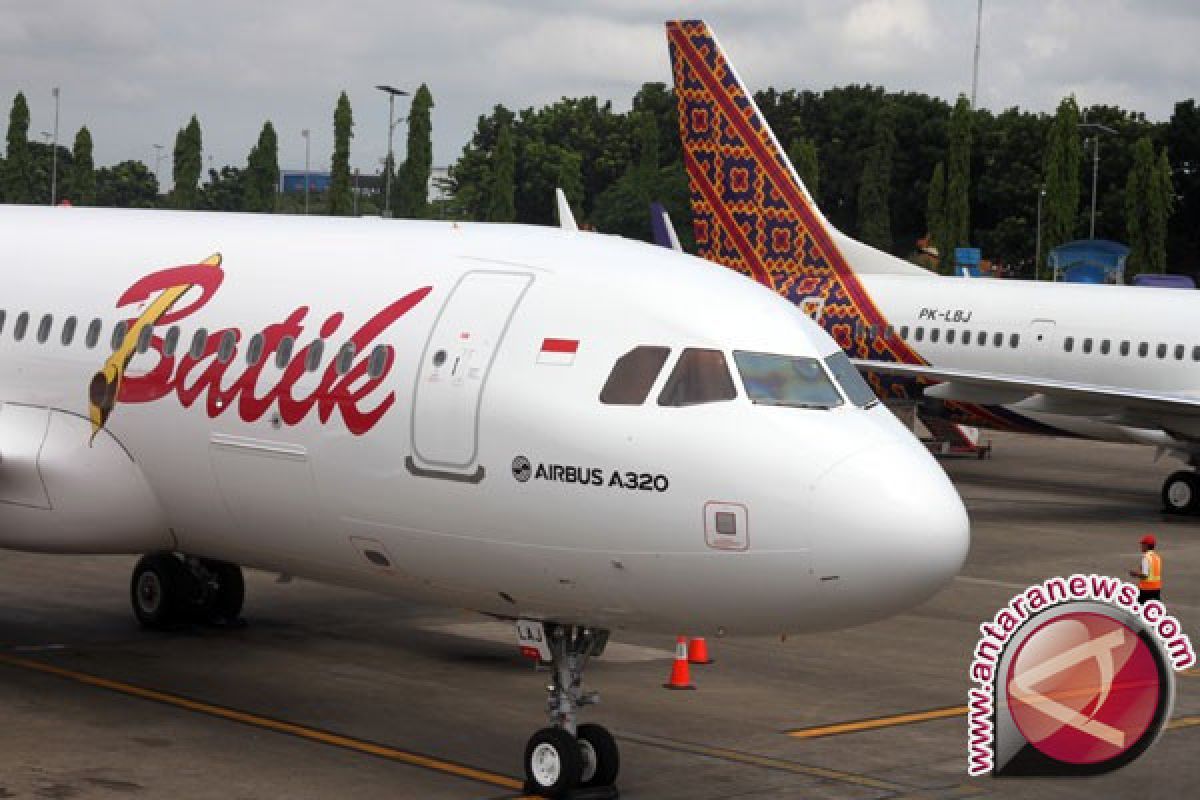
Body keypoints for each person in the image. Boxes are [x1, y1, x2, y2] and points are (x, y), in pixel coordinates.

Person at [1129, 534, 1162, 604]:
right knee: (1154, 608)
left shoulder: (1146, 558)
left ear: (1146, 545)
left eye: (1142, 544)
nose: (1141, 546)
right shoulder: (1157, 557)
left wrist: (1135, 574)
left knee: (1140, 609)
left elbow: (1145, 575)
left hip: (1146, 590)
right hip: (1156, 588)